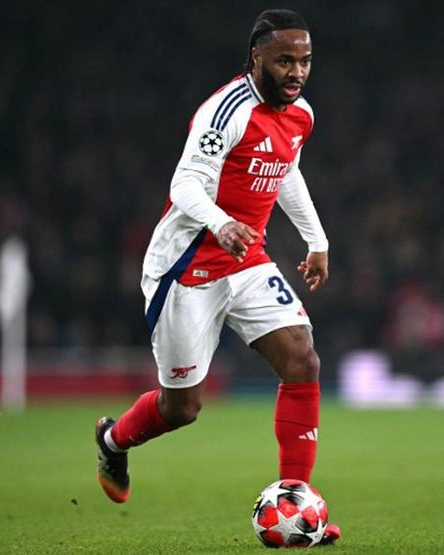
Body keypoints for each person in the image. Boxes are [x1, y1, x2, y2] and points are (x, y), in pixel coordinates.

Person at [95, 9, 339, 544]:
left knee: (303, 360)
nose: (297, 72)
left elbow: (287, 170)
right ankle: (113, 441)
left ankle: (299, 507)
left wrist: (315, 239)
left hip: (246, 261)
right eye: (284, 61)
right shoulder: (225, 110)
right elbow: (185, 185)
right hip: (187, 266)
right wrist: (222, 222)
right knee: (182, 408)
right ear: (257, 58)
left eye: (305, 61)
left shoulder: (300, 115)